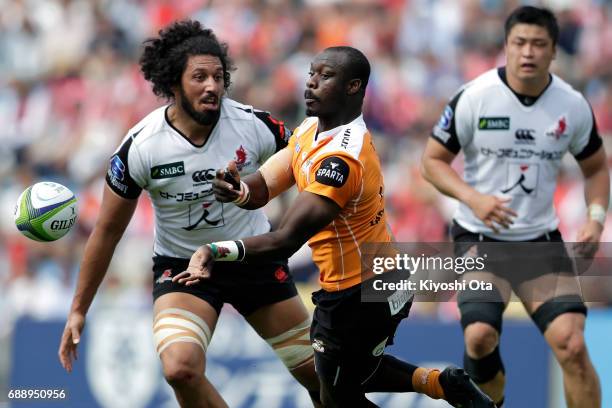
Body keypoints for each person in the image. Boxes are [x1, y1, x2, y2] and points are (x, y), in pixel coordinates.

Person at [175, 46, 494, 408]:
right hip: (379, 280)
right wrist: (238, 189)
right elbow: (265, 184)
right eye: (311, 73)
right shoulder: (311, 129)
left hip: (359, 293)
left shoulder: (341, 160)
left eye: (325, 76)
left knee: (336, 397)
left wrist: (215, 250)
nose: (310, 83)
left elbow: (284, 241)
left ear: (353, 87)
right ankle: (442, 383)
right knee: (352, 372)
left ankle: (441, 384)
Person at [57, 20, 322, 408]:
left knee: (321, 377)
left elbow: (314, 169)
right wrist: (78, 310)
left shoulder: (253, 125)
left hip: (252, 258)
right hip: (183, 268)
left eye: (218, 76)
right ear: (173, 82)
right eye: (199, 77)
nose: (212, 86)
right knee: (180, 369)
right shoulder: (142, 148)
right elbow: (107, 232)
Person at [421, 6, 608, 408]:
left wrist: (595, 219)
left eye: (539, 44)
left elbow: (596, 168)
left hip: (540, 243)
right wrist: (473, 198)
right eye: (519, 43)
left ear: (554, 51)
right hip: (478, 239)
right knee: (479, 337)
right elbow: (431, 161)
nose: (528, 52)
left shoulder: (571, 106)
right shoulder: (474, 97)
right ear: (506, 46)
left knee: (572, 345)